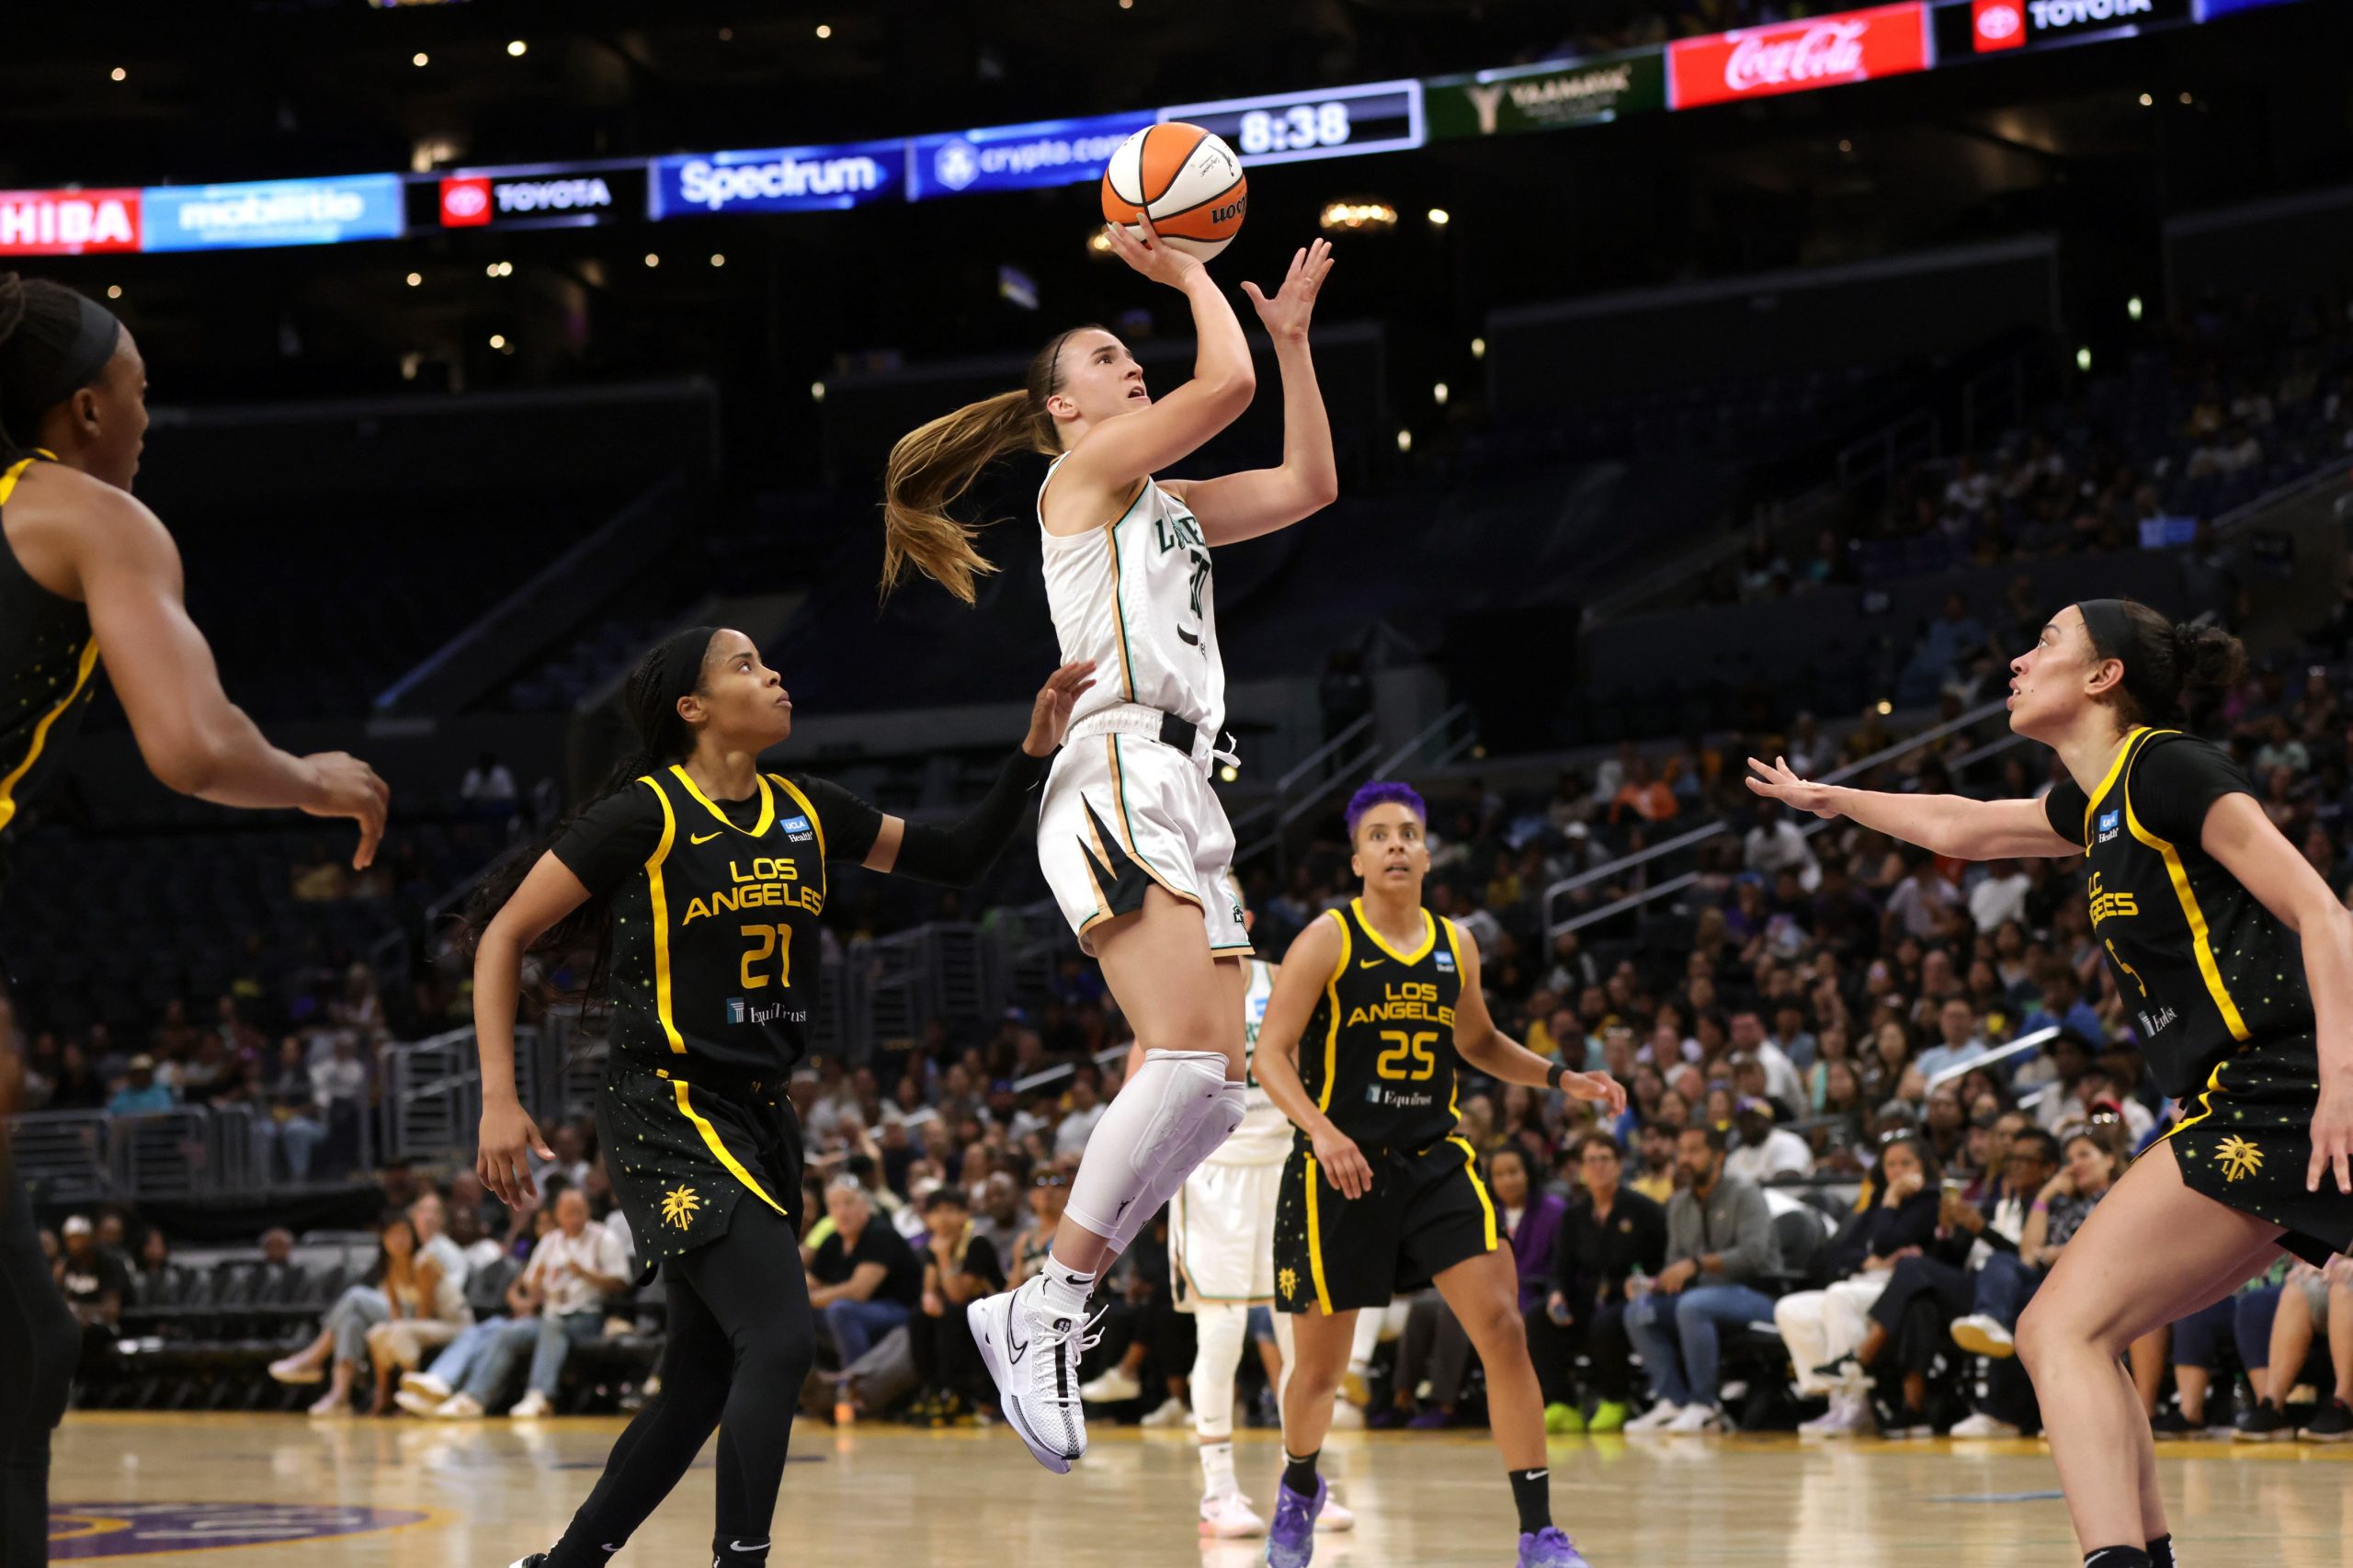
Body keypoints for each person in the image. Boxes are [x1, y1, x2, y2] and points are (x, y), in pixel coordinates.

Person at [1747, 597, 2353, 1568]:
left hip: (2277, 1085)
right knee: (2081, 1329)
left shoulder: (2167, 765)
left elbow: (2324, 914)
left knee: (2056, 1327)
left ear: (2104, 675)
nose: (2020, 660)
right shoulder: (2099, 801)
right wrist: (1836, 800)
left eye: (2046, 643)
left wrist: (2340, 1082)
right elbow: (1967, 823)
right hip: (2237, 1096)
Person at [465, 627, 1088, 1568]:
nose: (775, 675)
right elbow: (502, 932)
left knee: (696, 1381)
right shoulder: (646, 814)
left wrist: (1033, 749)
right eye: (746, 666)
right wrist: (498, 1096)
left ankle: (563, 1564)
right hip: (667, 1105)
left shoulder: (807, 809)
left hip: (762, 1111)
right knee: (782, 1339)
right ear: (694, 708)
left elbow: (957, 856)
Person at [878, 215, 1339, 1475]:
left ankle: (1056, 1302)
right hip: (1119, 761)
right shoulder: (1074, 483)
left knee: (1218, 1080)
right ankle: (1046, 1300)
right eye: (1105, 357)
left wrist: (1293, 345)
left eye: (1131, 353)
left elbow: (1307, 486)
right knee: (1190, 1060)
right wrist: (1190, 269)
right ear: (1063, 410)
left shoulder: (1172, 504)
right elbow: (1220, 382)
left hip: (1190, 781)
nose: (1130, 364)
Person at [0, 271, 387, 1568]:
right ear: (83, 408)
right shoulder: (88, 514)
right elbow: (189, 743)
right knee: (22, 1344)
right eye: (143, 395)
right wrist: (308, 776)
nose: (150, 420)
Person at [1250, 781, 1622, 1568]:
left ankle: (1537, 1534)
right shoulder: (1328, 938)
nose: (1394, 845)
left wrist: (1562, 1078)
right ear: (1356, 858)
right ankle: (1299, 1485)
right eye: (1379, 835)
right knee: (1318, 1374)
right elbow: (1269, 1055)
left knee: (1504, 1328)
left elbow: (1479, 1042)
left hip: (1432, 1161)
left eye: (1408, 833)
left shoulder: (1457, 942)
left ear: (1426, 853)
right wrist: (1320, 1131)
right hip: (1339, 1168)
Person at [1777, 1134, 1943, 1437]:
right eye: (1891, 1164)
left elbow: (1885, 1242)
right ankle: (1834, 1399)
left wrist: (1892, 1200)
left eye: (1906, 1163)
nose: (1898, 1171)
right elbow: (1836, 1251)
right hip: (1864, 1280)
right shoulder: (1873, 1201)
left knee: (1838, 1297)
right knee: (1791, 1308)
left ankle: (1857, 1403)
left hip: (1898, 1290)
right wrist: (1867, 1262)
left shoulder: (1930, 1201)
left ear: (1923, 1167)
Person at [1620, 1125, 1782, 1435]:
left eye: (1694, 1151)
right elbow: (1674, 1266)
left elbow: (1755, 1255)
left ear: (1718, 1157)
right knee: (1639, 1310)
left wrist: (1696, 1265)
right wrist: (1650, 1284)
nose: (1685, 1159)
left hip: (1757, 1292)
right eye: (1682, 1151)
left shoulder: (1746, 1193)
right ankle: (1672, 1401)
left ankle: (1706, 1405)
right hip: (1700, 1296)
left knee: (1693, 1306)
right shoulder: (1678, 1203)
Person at [1537, 1133, 1666, 1436]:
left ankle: (1615, 1398)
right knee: (1537, 1318)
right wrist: (1556, 1295)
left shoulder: (1644, 1210)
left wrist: (1647, 1283)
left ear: (1619, 1165)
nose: (1597, 1167)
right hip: (1588, 1294)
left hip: (1632, 1295)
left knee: (1605, 1324)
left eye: (1605, 1159)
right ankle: (1562, 1403)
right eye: (1590, 1161)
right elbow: (1561, 1268)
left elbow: (1664, 1260)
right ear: (1581, 1169)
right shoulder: (1573, 1216)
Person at [807, 1178, 923, 1381]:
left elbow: (858, 1292)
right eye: (834, 1205)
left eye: (848, 1202)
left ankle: (856, 1384)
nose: (842, 1212)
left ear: (865, 1205)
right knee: (794, 1312)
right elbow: (809, 1282)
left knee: (841, 1310)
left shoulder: (880, 1234)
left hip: (901, 1311)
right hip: (862, 1312)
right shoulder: (833, 1240)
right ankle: (812, 1385)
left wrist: (809, 1299)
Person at [907, 1187, 1004, 1420]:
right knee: (919, 1317)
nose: (943, 1218)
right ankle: (932, 1387)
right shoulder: (936, 1244)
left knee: (952, 1315)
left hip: (991, 1315)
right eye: (937, 1211)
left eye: (951, 1211)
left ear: (965, 1215)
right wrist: (929, 1299)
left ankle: (957, 1391)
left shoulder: (977, 1243)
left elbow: (958, 1294)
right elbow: (930, 1289)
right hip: (958, 1310)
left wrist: (942, 1256)